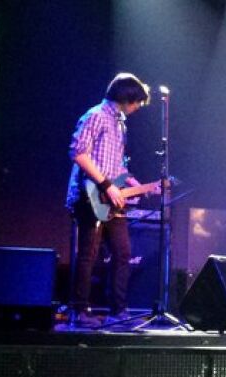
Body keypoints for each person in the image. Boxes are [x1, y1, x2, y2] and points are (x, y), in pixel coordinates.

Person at [65, 72, 152, 328]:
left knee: (122, 253)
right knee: (88, 254)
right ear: (127, 97)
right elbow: (78, 153)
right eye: (137, 101)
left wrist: (135, 184)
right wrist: (105, 185)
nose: (138, 107)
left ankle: (119, 310)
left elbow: (116, 166)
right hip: (89, 194)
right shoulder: (96, 115)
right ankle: (80, 310)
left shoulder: (120, 124)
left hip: (111, 198)